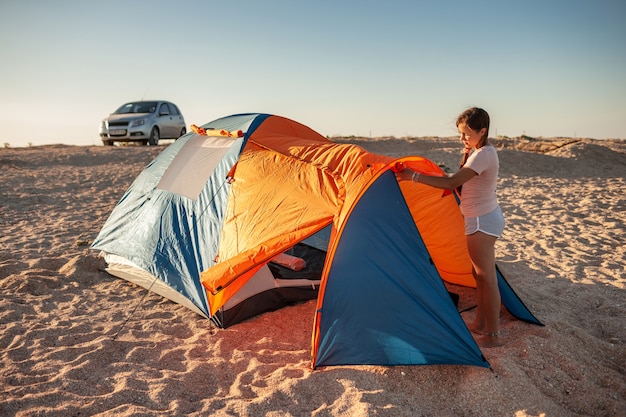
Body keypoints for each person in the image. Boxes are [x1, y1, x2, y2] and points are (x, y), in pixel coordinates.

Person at [398, 107, 505, 348]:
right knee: (479, 276)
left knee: (487, 279)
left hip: (482, 221)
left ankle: (494, 335)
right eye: (460, 134)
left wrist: (412, 176)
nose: (462, 139)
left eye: (466, 134)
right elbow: (460, 186)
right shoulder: (477, 152)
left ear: (483, 131)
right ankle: (480, 323)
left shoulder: (484, 154)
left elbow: (452, 181)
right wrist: (465, 152)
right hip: (478, 218)